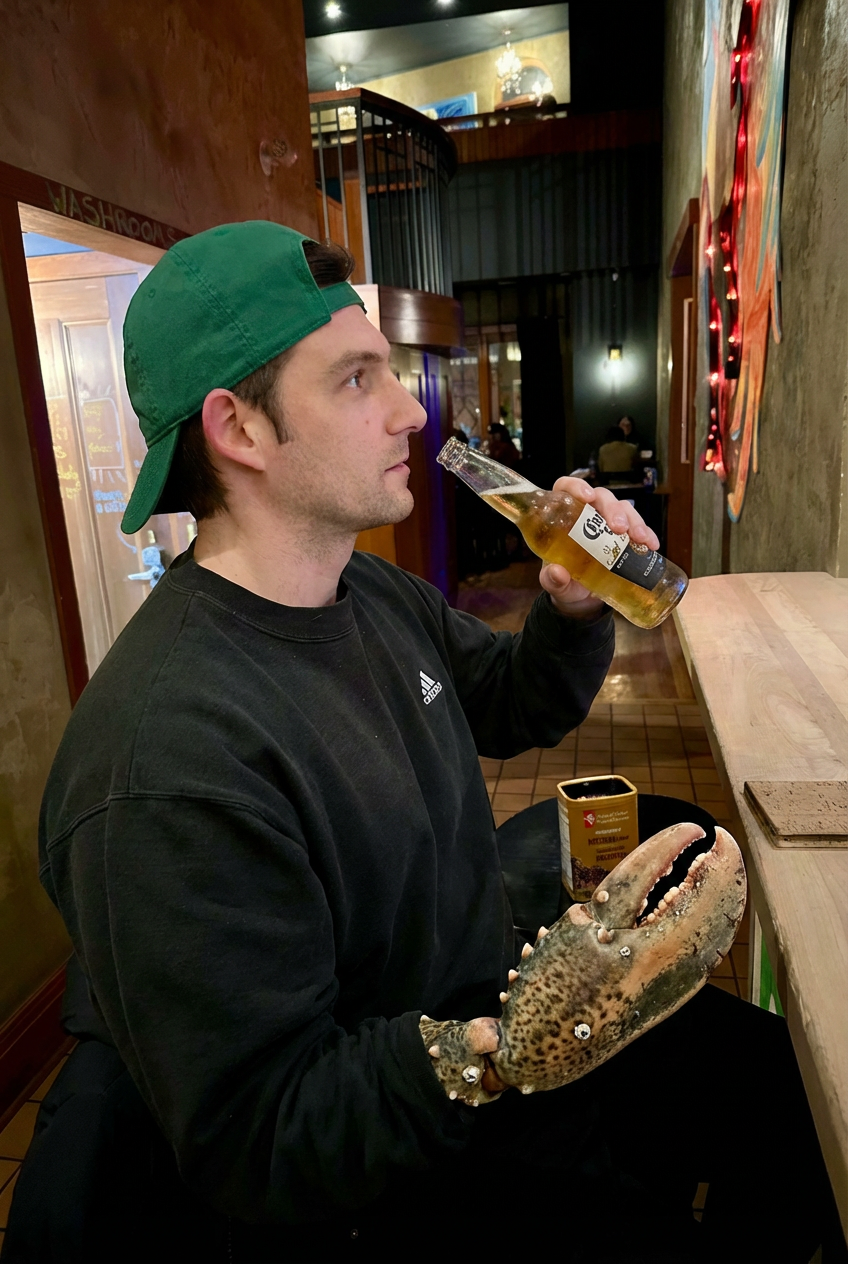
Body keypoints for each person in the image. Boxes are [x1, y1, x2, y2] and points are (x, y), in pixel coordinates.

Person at [24, 223, 843, 1264]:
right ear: (239, 427)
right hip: (422, 1155)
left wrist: (572, 604)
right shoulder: (167, 766)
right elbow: (264, 1135)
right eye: (357, 379)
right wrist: (505, 1053)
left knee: (783, 1099)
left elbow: (506, 704)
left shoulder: (362, 589)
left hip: (500, 1018)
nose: (410, 410)